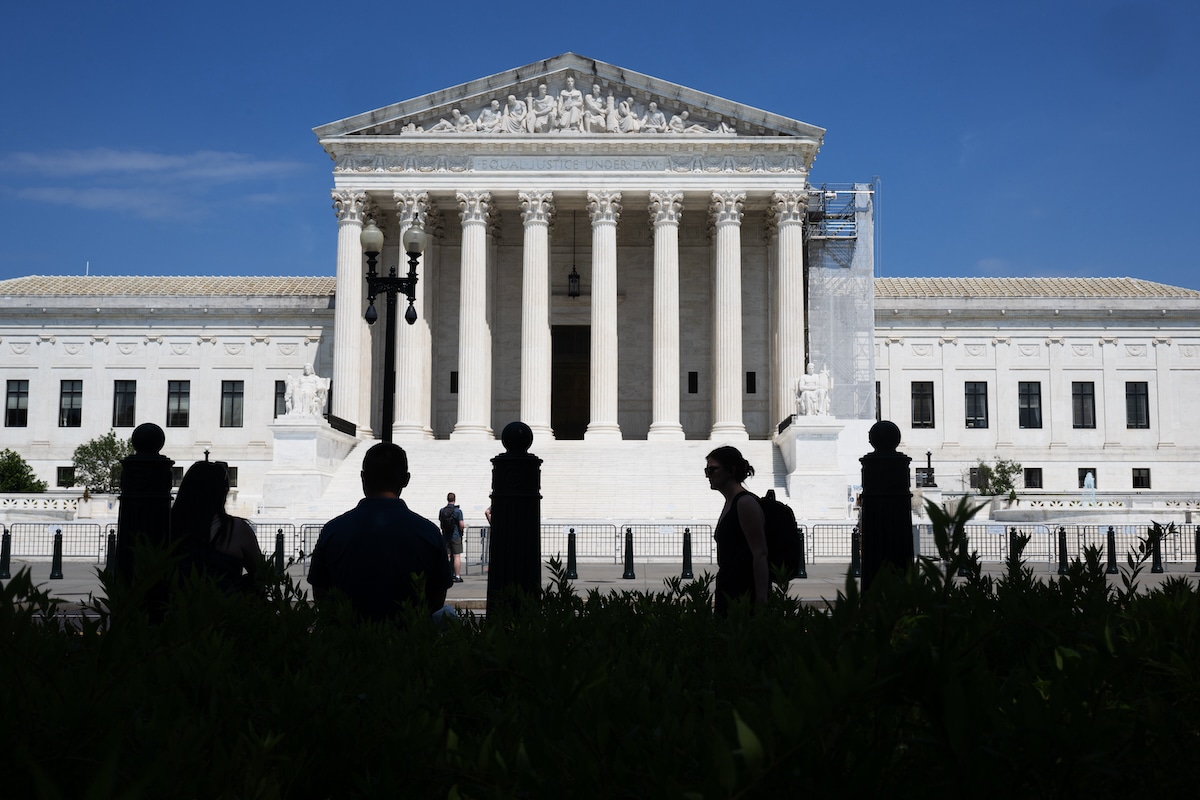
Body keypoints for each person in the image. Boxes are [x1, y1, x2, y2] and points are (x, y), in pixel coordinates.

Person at [308, 443, 453, 623]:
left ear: (363, 477)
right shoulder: (428, 533)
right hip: (408, 642)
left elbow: (320, 594)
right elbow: (436, 600)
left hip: (346, 643)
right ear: (406, 480)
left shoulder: (333, 530)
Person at [171, 459, 264, 593]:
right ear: (222, 492)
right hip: (223, 609)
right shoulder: (236, 530)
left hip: (176, 609)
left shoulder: (170, 525)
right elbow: (261, 575)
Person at [706, 446, 768, 615]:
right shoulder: (731, 502)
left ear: (731, 470)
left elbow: (760, 553)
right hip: (729, 586)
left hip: (744, 591)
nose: (708, 475)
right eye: (707, 470)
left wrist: (761, 599)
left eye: (712, 469)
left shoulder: (745, 503)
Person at [438, 492, 466, 583]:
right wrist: (462, 530)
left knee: (447, 556)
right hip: (456, 535)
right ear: (455, 499)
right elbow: (461, 524)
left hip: (446, 535)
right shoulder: (458, 511)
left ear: (447, 499)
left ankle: (444, 575)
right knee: (456, 556)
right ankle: (457, 576)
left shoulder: (442, 510)